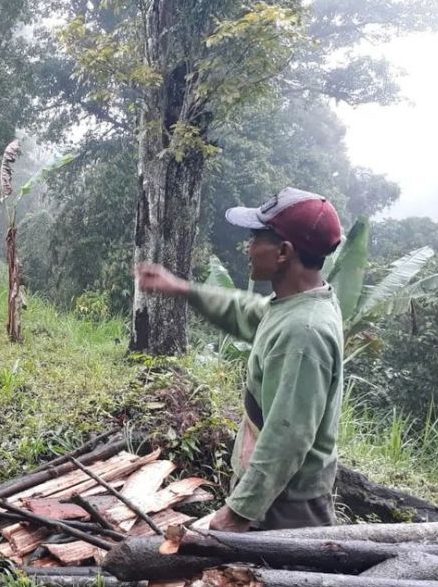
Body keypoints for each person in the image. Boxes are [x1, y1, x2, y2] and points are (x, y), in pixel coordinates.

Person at [137, 187, 344, 532]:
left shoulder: (303, 333)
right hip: (271, 494)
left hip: (285, 507)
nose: (247, 248)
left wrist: (237, 514)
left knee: (268, 584)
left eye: (255, 238)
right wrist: (182, 288)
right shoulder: (297, 303)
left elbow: (287, 438)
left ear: (283, 252)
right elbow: (246, 312)